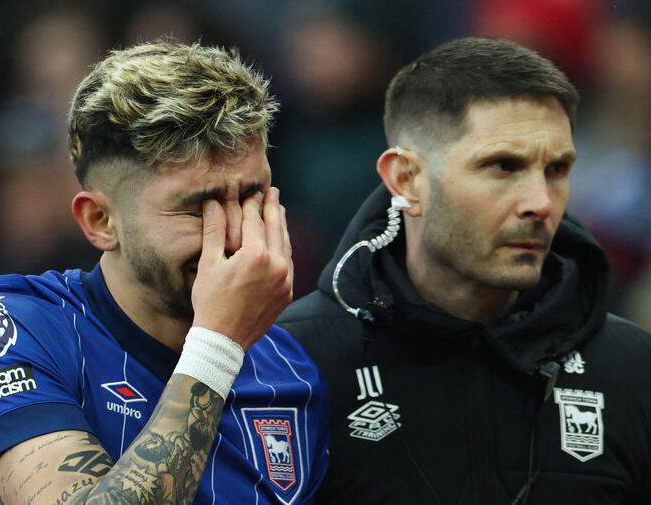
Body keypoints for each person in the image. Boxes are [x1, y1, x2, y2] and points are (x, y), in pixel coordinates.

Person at [0, 41, 329, 505]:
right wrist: (217, 347)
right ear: (100, 222)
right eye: (198, 209)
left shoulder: (292, 373)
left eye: (252, 196)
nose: (238, 236)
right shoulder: (5, 329)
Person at [278, 37, 651, 504]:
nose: (540, 203)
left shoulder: (632, 366)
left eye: (557, 169)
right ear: (406, 179)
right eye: (502, 166)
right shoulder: (291, 363)